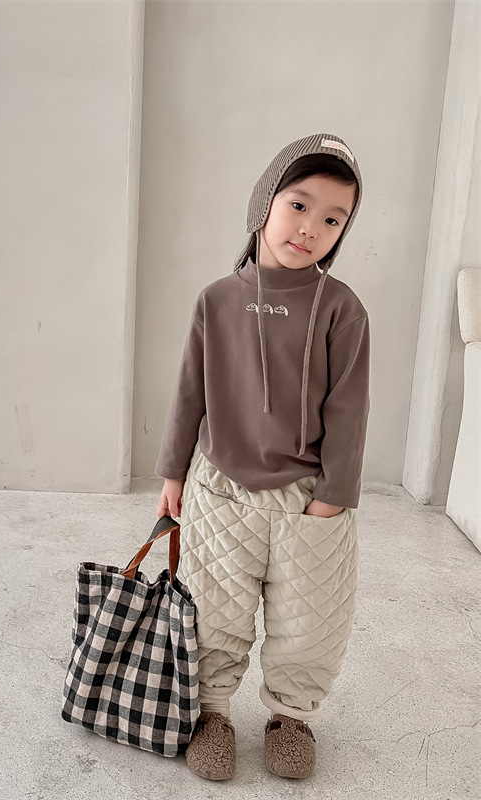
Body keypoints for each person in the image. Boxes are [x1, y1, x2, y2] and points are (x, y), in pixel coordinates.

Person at [155, 133, 370, 781]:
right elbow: (189, 391)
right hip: (220, 489)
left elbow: (349, 409)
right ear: (264, 203)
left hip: (306, 499)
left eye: (332, 219)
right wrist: (173, 472)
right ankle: (212, 715)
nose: (311, 228)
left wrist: (333, 498)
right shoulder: (216, 299)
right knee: (213, 608)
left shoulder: (342, 310)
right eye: (299, 205)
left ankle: (291, 718)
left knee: (311, 619)